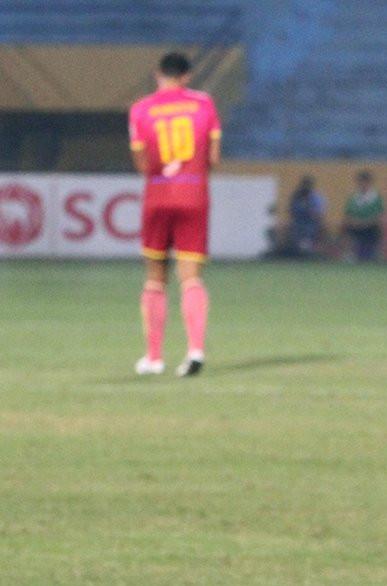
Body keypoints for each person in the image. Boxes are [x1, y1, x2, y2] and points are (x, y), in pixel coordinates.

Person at [128, 51, 221, 377]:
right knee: (191, 277)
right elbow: (213, 158)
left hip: (158, 197)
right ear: (187, 76)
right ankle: (195, 349)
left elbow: (142, 164)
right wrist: (191, 173)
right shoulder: (204, 104)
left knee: (155, 277)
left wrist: (162, 172)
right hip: (194, 195)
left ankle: (154, 358)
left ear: (158, 74)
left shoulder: (140, 109)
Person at [342, 169, 384, 261]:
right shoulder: (353, 198)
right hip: (356, 226)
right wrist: (357, 222)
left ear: (370, 183)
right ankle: (349, 254)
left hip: (372, 227)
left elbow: (380, 216)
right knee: (344, 226)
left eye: (366, 182)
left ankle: (379, 254)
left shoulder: (376, 198)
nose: (363, 185)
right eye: (361, 182)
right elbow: (348, 215)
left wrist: (366, 222)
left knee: (381, 227)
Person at [286, 175, 327, 257]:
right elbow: (291, 210)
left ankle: (308, 251)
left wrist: (309, 208)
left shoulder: (316, 197)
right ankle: (297, 251)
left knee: (308, 231)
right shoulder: (296, 196)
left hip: (311, 222)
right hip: (298, 222)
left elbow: (319, 214)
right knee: (294, 231)